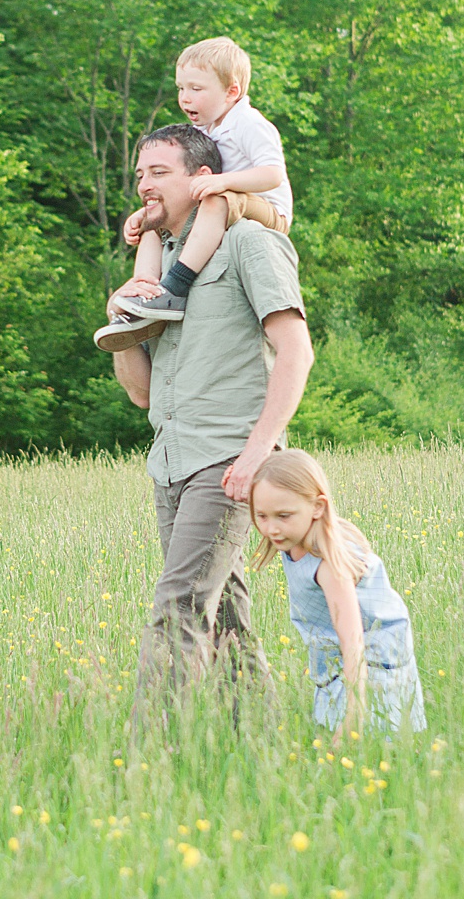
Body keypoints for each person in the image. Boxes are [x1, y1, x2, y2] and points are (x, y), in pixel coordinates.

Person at [108, 123, 314, 725]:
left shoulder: (250, 242)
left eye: (159, 173)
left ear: (203, 180)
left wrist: (258, 453)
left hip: (227, 457)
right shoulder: (165, 269)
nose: (144, 185)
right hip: (171, 460)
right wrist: (121, 319)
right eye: (140, 173)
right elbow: (142, 394)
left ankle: (152, 757)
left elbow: (296, 352)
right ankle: (257, 740)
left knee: (178, 607)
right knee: (225, 616)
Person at [96, 37, 294, 351]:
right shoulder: (206, 128)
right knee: (155, 221)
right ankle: (147, 293)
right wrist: (145, 213)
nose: (185, 98)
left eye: (196, 89)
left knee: (216, 199)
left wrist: (223, 182)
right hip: (226, 204)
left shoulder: (248, 123)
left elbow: (273, 175)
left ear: (232, 91)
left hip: (268, 210)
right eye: (180, 88)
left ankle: (176, 284)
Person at [249, 449, 428, 736]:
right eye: (262, 516)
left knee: (378, 738)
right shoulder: (295, 538)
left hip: (374, 657)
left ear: (318, 507)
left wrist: (353, 718)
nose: (271, 528)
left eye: (283, 515)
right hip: (336, 653)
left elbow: (353, 642)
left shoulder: (329, 565)